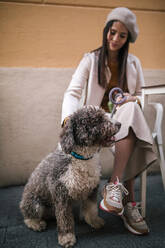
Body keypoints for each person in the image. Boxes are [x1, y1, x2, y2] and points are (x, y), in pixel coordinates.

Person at [61, 7, 157, 235]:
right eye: (112, 32)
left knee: (132, 109)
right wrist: (68, 120)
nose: (115, 39)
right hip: (96, 123)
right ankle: (129, 203)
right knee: (134, 128)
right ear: (106, 30)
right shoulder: (90, 59)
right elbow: (72, 93)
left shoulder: (133, 63)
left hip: (122, 120)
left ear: (128, 39)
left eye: (122, 35)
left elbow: (141, 95)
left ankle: (115, 189)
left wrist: (131, 98)